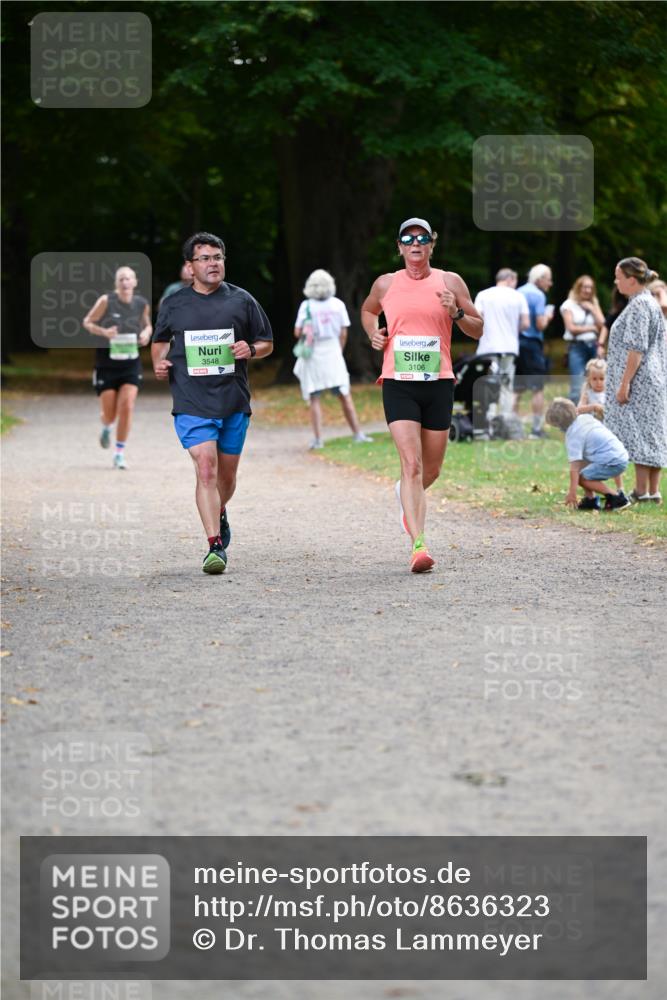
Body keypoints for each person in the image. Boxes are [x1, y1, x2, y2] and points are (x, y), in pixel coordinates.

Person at [361, 217, 483, 574]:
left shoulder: (450, 282)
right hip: (398, 383)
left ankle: (405, 494)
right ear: (399, 247)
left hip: (439, 382)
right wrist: (373, 333)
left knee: (431, 469)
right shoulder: (385, 283)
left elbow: (478, 329)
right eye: (408, 238)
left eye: (422, 238)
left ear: (432, 244)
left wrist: (456, 312)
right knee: (412, 465)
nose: (416, 244)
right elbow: (368, 310)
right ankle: (419, 545)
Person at [151, 231, 273, 573]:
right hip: (191, 400)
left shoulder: (242, 300)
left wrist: (251, 349)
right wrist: (159, 363)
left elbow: (266, 342)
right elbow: (160, 341)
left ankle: (219, 508)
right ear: (190, 266)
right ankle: (214, 546)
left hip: (233, 400)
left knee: (226, 478)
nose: (212, 263)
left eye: (217, 257)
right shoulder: (174, 304)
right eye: (204, 258)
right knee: (206, 467)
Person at [604, 257, 667, 505]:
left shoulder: (640, 305)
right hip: (654, 377)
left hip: (641, 380)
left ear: (631, 280)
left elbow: (636, 349)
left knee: (642, 433)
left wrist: (625, 383)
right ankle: (653, 490)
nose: (615, 282)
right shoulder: (648, 302)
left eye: (618, 277)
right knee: (653, 432)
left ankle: (641, 491)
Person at [292, 269, 372, 449]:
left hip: (313, 353)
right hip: (333, 351)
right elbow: (343, 333)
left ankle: (318, 439)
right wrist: (339, 351)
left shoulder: (306, 306)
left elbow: (297, 332)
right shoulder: (338, 305)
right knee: (344, 394)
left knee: (314, 397)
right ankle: (357, 433)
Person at [83, 266, 152, 470]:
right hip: (106, 365)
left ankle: (119, 453)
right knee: (110, 413)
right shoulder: (106, 301)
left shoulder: (141, 304)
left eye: (128, 278)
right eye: (121, 279)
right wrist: (104, 332)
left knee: (127, 406)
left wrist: (146, 334)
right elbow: (87, 322)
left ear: (135, 282)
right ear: (116, 283)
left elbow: (147, 325)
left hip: (130, 364)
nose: (125, 282)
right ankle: (107, 426)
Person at [545, 397, 630, 512]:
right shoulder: (584, 418)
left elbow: (574, 468)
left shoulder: (573, 435)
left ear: (559, 424)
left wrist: (572, 493)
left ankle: (617, 498)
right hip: (621, 456)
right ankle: (591, 500)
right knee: (584, 470)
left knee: (582, 478)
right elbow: (582, 462)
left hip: (612, 461)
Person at [473, 267, 529, 417]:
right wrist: (513, 329)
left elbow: (477, 319)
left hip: (488, 347)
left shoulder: (483, 295)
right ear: (510, 279)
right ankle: (505, 417)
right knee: (506, 384)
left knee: (489, 382)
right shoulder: (518, 297)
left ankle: (489, 416)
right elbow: (525, 323)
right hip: (510, 346)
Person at [516, 264, 554, 438]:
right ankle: (537, 430)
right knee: (537, 388)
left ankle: (512, 428)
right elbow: (540, 324)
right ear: (540, 278)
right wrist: (548, 316)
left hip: (516, 344)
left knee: (516, 388)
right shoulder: (538, 295)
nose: (550, 283)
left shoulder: (518, 291)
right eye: (548, 279)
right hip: (532, 344)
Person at [577, 358, 623, 492]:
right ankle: (591, 490)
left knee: (613, 458)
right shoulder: (587, 393)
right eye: (594, 379)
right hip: (592, 434)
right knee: (589, 460)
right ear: (589, 379)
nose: (598, 382)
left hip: (608, 432)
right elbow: (579, 409)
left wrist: (603, 409)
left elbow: (615, 411)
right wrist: (593, 406)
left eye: (602, 379)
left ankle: (620, 488)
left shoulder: (609, 393)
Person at [560, 275, 607, 402]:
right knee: (577, 384)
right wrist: (591, 328)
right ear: (578, 287)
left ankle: (598, 410)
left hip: (593, 346)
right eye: (585, 287)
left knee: (599, 382)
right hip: (576, 347)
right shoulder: (568, 305)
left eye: (590, 287)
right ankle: (576, 411)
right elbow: (571, 328)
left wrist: (592, 309)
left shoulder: (594, 303)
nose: (588, 290)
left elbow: (604, 325)